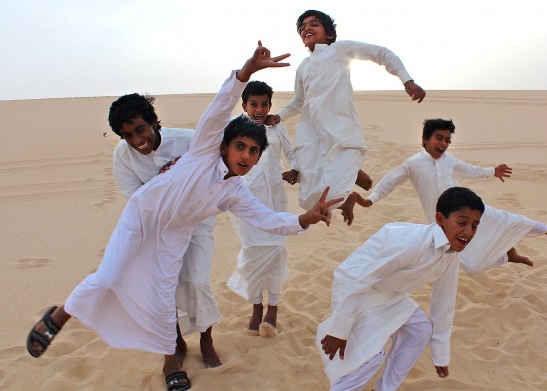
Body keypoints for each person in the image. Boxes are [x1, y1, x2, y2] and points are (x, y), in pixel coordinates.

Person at [26, 42, 343, 391]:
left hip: (176, 236)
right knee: (108, 278)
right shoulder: (203, 147)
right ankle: (57, 316)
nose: (246, 155)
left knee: (165, 298)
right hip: (141, 219)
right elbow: (221, 106)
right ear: (224, 145)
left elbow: (268, 219)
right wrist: (246, 72)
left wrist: (304, 219)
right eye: (240, 146)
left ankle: (170, 362)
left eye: (253, 152)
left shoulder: (235, 192)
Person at [355, 118, 547, 274]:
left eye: (447, 140)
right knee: (471, 265)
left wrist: (492, 171)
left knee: (507, 221)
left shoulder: (449, 161)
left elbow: (471, 171)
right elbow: (390, 181)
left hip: (469, 206)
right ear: (425, 139)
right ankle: (507, 256)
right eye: (439, 138)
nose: (443, 144)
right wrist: (370, 200)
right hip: (444, 221)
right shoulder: (413, 164)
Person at [267, 9, 426, 225]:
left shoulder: (340, 50)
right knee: (310, 198)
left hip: (340, 127)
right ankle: (347, 198)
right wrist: (279, 115)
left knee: (337, 177)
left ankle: (353, 173)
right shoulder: (303, 66)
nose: (307, 28)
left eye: (314, 24)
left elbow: (382, 53)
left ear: (329, 34)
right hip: (312, 133)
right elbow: (299, 100)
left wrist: (407, 80)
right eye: (302, 27)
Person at [318, 187, 485, 390]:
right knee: (370, 357)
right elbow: (364, 278)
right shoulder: (412, 243)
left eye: (475, 226)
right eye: (462, 222)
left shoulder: (451, 255)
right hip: (356, 283)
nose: (468, 231)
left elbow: (444, 302)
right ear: (440, 219)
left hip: (389, 292)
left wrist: (440, 354)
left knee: (421, 329)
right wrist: (340, 330)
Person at [110, 93, 222, 367]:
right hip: (156, 230)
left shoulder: (188, 140)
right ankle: (175, 343)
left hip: (196, 223)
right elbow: (136, 198)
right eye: (128, 136)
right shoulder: (123, 156)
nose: (137, 141)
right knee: (163, 289)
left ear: (153, 123)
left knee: (197, 280)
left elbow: (215, 173)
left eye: (140, 129)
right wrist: (165, 180)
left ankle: (206, 340)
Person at [227, 81, 298, 337]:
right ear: (244, 105)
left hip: (275, 199)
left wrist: (296, 169)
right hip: (244, 201)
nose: (259, 109)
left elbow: (292, 153)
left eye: (264, 104)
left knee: (277, 250)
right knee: (253, 253)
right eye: (254, 104)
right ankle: (256, 306)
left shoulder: (277, 127)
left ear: (270, 105)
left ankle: (274, 308)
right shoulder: (233, 128)